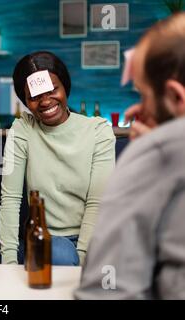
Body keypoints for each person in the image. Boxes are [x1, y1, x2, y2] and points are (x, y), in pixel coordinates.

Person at [75, 12, 185, 299]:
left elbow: (105, 290)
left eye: (144, 96)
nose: (136, 111)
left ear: (176, 96)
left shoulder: (155, 155)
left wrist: (151, 157)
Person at [0, 51, 116, 266]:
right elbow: (10, 199)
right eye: (34, 96)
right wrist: (7, 263)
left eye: (52, 90)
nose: (45, 101)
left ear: (65, 87)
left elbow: (97, 202)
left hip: (93, 236)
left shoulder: (99, 131)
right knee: (60, 253)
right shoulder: (23, 129)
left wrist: (82, 259)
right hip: (46, 240)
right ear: (25, 101)